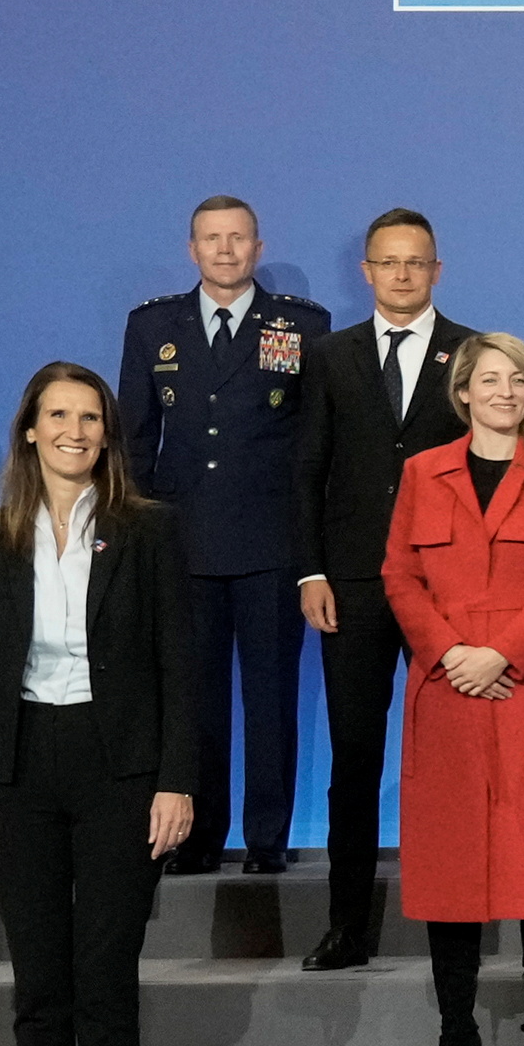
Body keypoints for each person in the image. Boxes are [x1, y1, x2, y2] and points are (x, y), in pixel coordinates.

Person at [0, 362, 197, 1046]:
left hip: (119, 767)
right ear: (28, 429)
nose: (74, 431)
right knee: (39, 986)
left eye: (90, 417)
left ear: (107, 433)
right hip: (17, 767)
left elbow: (181, 668)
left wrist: (177, 779)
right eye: (58, 415)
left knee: (103, 978)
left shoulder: (149, 531)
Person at [389, 332, 524, 1046]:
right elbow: (399, 575)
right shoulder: (421, 471)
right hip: (445, 692)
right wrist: (449, 654)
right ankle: (458, 1037)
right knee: (451, 869)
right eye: (490, 379)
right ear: (464, 392)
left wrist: (500, 654)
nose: (505, 391)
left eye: (519, 380)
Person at [112, 196, 328, 876]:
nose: (225, 249)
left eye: (237, 238)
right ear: (192, 249)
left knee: (271, 698)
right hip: (182, 542)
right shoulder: (153, 325)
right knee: (193, 698)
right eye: (212, 238)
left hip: (270, 541)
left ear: (258, 248)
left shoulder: (300, 323)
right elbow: (135, 439)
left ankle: (268, 838)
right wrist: (134, 537)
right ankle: (198, 836)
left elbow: (313, 441)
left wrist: (309, 551)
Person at [289, 207, 470, 971]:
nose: (402, 274)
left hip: (447, 582)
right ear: (365, 272)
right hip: (354, 582)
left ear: (437, 270)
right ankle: (347, 925)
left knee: (456, 757)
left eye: (416, 261)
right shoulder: (329, 356)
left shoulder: (472, 354)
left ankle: (464, 917)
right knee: (354, 757)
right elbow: (306, 469)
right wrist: (311, 569)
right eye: (388, 262)